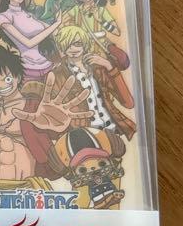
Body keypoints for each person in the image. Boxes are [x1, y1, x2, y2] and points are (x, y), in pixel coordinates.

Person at [0, 47, 88, 206]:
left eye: (6, 79)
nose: (1, 85)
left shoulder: (34, 108)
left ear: (17, 77)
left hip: (23, 191)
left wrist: (62, 127)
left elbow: (60, 141)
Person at [46, 24, 135, 159]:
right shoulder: (58, 75)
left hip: (112, 130)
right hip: (85, 136)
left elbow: (128, 103)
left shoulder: (98, 68)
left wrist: (109, 66)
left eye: (77, 43)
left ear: (85, 43)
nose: (73, 49)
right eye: (67, 45)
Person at [0, 0, 69, 80]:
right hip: (29, 70)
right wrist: (56, 24)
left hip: (48, 66)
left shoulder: (28, 14)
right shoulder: (3, 17)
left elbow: (54, 31)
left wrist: (56, 18)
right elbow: (28, 43)